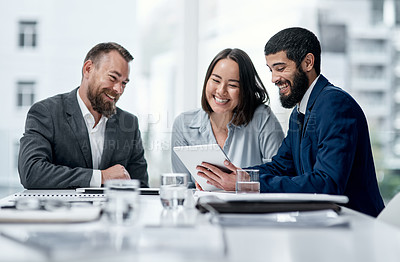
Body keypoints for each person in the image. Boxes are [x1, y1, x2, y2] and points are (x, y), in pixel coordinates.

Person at [196, 28, 385, 217]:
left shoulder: (334, 104)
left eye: (280, 68)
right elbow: (282, 166)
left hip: (356, 224)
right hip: (328, 222)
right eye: (271, 70)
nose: (273, 79)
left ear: (308, 63)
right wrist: (235, 176)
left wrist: (247, 184)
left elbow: (328, 183)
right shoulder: (300, 111)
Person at [18, 42, 148, 189]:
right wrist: (102, 177)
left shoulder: (129, 123)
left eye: (124, 83)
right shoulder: (47, 112)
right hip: (63, 211)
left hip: (112, 211)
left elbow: (141, 187)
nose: (119, 89)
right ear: (88, 69)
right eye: (112, 78)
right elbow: (31, 172)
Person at [171, 48, 284, 186]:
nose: (221, 91)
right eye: (216, 80)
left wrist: (242, 181)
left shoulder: (262, 117)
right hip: (202, 205)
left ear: (245, 90)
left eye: (232, 85)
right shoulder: (183, 123)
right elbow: (181, 185)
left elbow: (280, 174)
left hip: (248, 206)